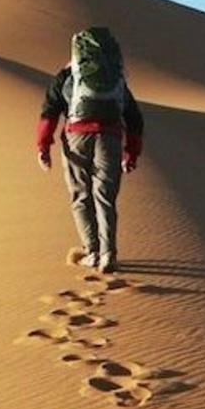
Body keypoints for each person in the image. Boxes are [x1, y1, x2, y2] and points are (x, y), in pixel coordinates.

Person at [35, 36, 144, 273]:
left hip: (76, 137)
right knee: (105, 197)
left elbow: (49, 112)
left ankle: (92, 252)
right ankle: (109, 255)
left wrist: (44, 146)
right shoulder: (115, 80)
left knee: (81, 196)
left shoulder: (65, 77)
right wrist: (131, 153)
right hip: (110, 138)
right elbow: (134, 118)